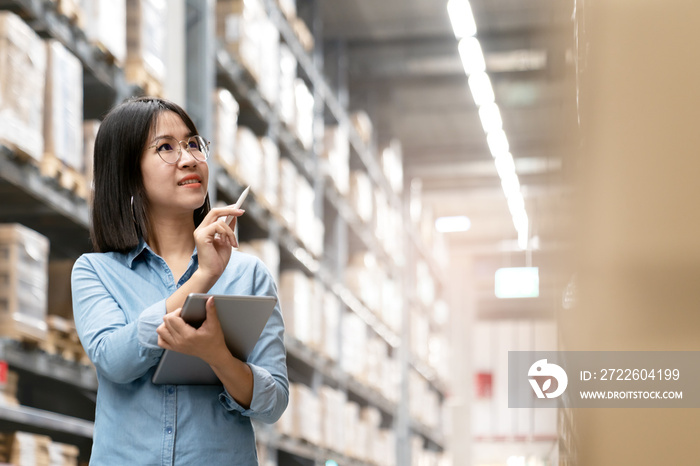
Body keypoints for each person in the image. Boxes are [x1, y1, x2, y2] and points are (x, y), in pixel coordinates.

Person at [71, 96, 288, 465]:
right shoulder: (96, 271)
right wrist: (204, 277)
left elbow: (273, 403)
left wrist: (218, 356)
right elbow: (114, 361)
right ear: (128, 170)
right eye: (165, 148)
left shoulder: (248, 275)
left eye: (192, 144)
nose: (189, 158)